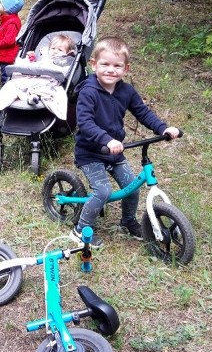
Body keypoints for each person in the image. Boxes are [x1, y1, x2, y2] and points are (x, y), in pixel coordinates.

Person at [73, 37, 179, 245]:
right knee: (103, 191)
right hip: (91, 153)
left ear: (126, 68)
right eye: (105, 64)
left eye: (117, 66)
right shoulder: (88, 91)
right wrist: (106, 139)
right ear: (94, 64)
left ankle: (128, 221)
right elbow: (85, 122)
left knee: (132, 187)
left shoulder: (126, 91)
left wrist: (163, 128)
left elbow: (143, 112)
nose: (110, 70)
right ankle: (80, 229)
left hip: (114, 152)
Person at [0, 0, 24, 85]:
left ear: (7, 8)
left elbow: (9, 41)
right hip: (5, 54)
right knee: (5, 72)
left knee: (6, 74)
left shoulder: (12, 23)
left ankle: (6, 89)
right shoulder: (7, 19)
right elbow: (4, 35)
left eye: (1, 2)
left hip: (8, 56)